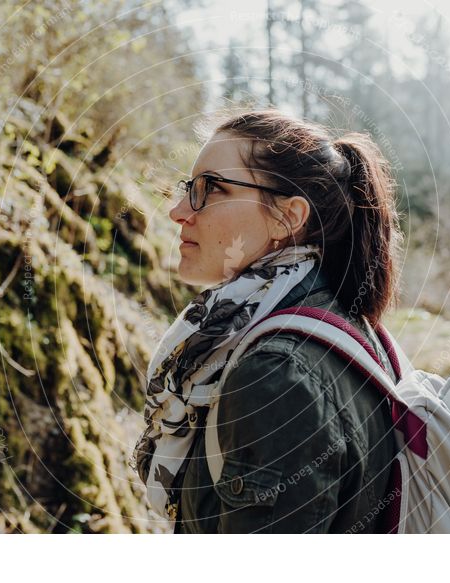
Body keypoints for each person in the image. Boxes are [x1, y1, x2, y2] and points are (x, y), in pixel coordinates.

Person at [133, 109, 403, 533]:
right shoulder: (337, 323)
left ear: (288, 217)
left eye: (212, 189)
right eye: (189, 188)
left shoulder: (276, 373)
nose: (179, 211)